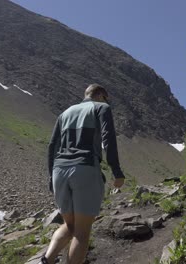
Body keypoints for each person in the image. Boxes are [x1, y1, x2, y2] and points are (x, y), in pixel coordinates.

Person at [42, 84, 125, 264]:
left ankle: (46, 260)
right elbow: (108, 139)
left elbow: (52, 147)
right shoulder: (102, 108)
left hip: (59, 170)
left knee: (70, 226)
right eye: (106, 98)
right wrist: (116, 171)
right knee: (82, 232)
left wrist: (51, 177)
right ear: (101, 95)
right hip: (84, 167)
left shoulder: (65, 113)